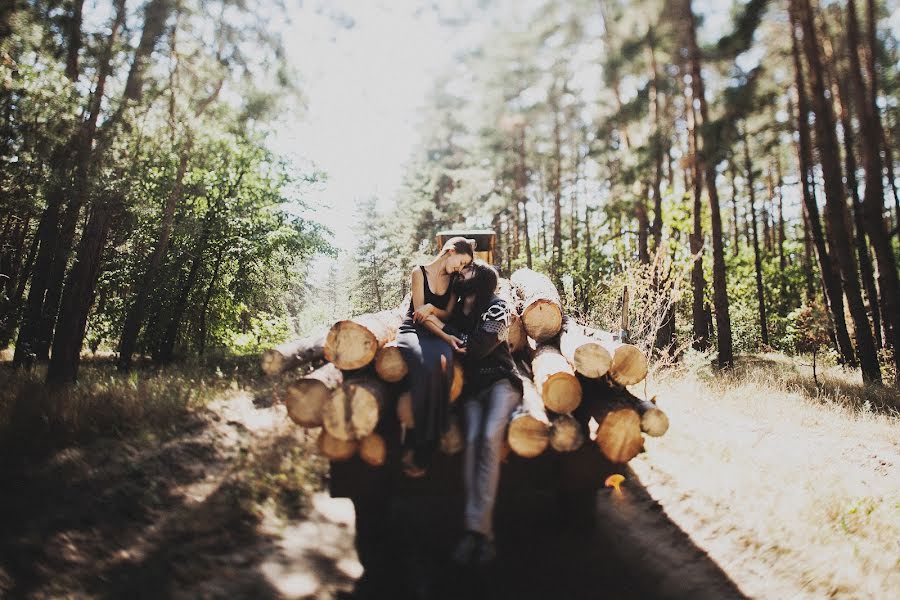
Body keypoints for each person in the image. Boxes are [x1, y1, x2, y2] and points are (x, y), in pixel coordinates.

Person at [423, 260, 523, 566]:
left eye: (465, 272)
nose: (459, 275)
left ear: (479, 280)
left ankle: (482, 533)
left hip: (499, 384)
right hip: (469, 390)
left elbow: (477, 348)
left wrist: (449, 338)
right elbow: (443, 334)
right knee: (471, 445)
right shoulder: (458, 307)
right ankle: (473, 530)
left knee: (489, 436)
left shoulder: (498, 307)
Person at [395, 236, 474, 477]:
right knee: (426, 363)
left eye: (464, 266)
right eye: (460, 262)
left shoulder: (454, 281)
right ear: (449, 251)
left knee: (444, 363)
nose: (460, 268)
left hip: (439, 328)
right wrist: (445, 336)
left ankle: (435, 434)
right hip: (414, 330)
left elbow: (448, 313)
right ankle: (417, 439)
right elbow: (419, 314)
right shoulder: (419, 273)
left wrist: (432, 309)